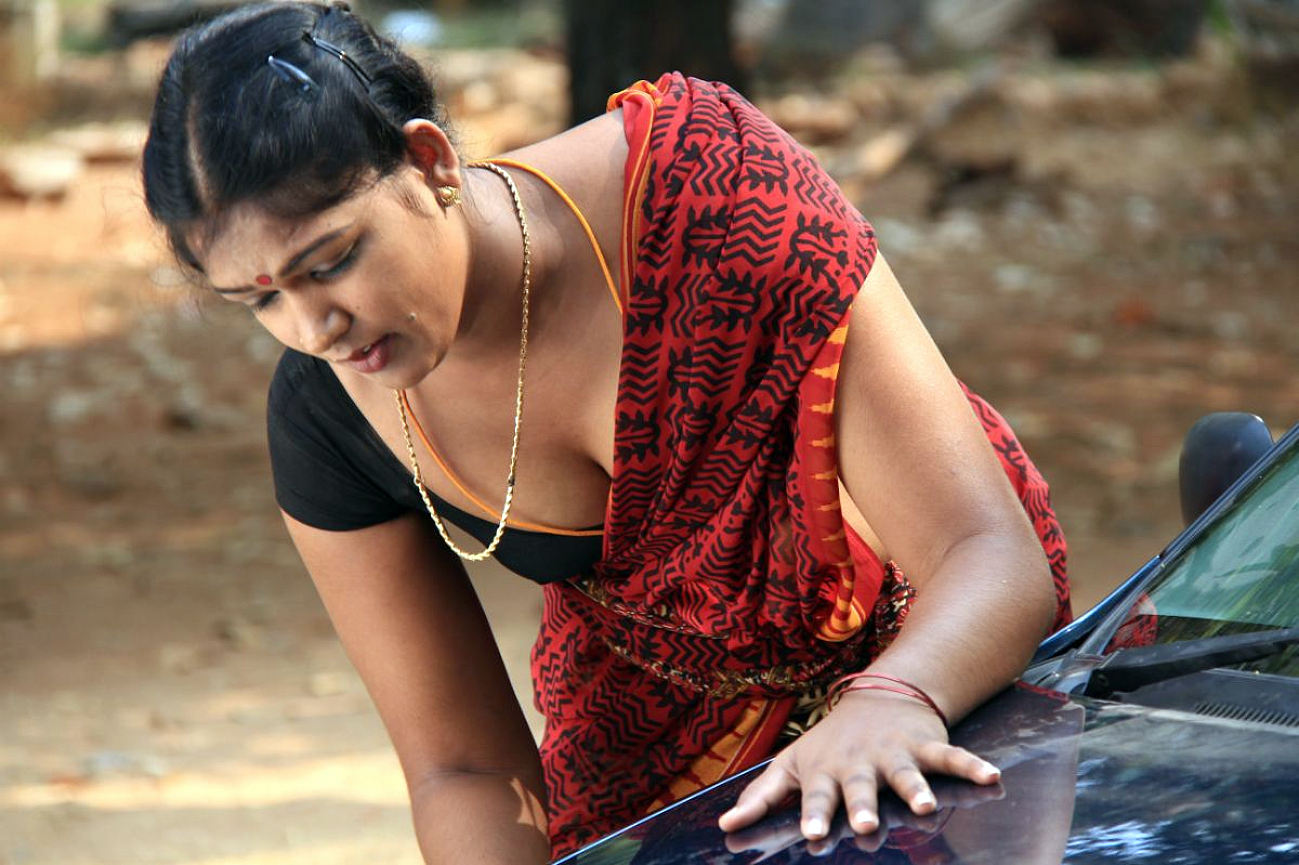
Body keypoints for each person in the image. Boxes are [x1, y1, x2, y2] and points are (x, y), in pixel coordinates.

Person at [141, 2, 1072, 861]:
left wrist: (894, 699)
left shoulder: (706, 188)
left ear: (430, 163)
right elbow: (462, 767)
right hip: (657, 756)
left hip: (942, 669)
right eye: (259, 300)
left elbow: (987, 556)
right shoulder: (329, 416)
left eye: (332, 259)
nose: (315, 328)